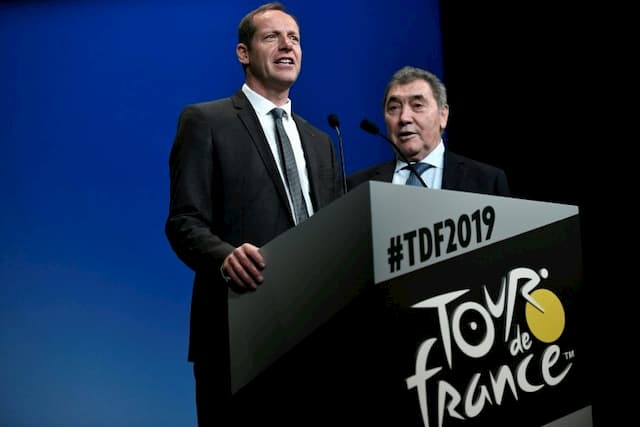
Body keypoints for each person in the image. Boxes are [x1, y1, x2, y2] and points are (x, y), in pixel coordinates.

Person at [164, 3, 342, 425]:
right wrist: (224, 258)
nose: (287, 46)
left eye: (295, 38)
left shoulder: (321, 141)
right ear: (243, 53)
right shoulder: (206, 121)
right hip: (237, 333)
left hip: (314, 334)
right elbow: (183, 221)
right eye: (272, 37)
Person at [347, 65, 511, 196]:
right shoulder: (356, 188)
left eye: (417, 105)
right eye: (394, 107)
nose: (404, 118)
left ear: (443, 115)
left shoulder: (487, 181)